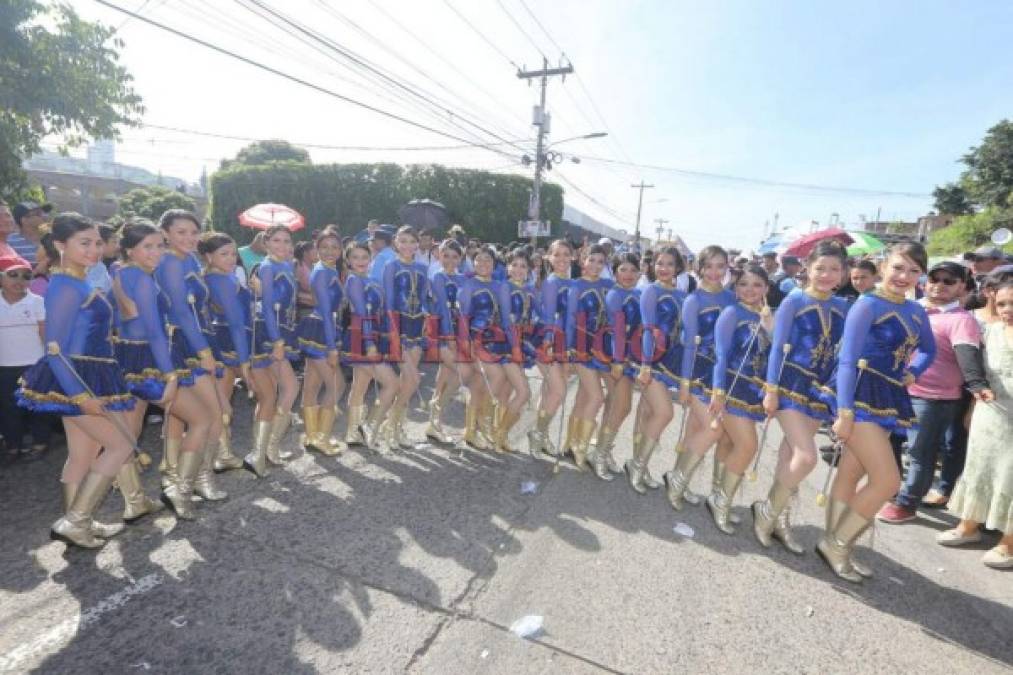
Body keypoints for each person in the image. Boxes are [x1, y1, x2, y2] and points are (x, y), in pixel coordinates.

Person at [16, 212, 136, 549]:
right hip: (76, 379)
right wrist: (80, 397)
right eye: (84, 243)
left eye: (98, 242)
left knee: (83, 453)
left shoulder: (80, 280)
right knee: (120, 445)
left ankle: (76, 522)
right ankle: (77, 519)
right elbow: (55, 349)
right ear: (59, 245)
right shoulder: (65, 286)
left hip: (89, 374)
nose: (94, 249)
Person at [818, 242, 936, 583]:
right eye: (899, 267)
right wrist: (843, 411)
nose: (904, 276)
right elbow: (845, 358)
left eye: (914, 271)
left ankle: (837, 543)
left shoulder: (917, 311)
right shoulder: (866, 304)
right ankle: (836, 544)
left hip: (889, 395)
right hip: (857, 394)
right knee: (888, 480)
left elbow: (928, 349)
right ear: (884, 266)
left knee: (852, 471)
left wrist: (915, 373)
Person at [753, 241, 848, 555]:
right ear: (808, 268)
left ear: (843, 273)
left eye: (834, 269)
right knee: (807, 457)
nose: (826, 274)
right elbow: (777, 345)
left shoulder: (842, 307)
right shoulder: (795, 299)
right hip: (789, 383)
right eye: (820, 268)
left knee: (789, 456)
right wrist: (770, 389)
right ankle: (766, 512)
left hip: (817, 390)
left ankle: (780, 519)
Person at [877, 261, 987, 524]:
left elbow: (968, 357)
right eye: (935, 279)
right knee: (889, 442)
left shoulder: (962, 321)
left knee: (919, 453)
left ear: (962, 287)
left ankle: (907, 504)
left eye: (949, 281)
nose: (939, 285)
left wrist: (977, 387)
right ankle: (891, 489)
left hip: (933, 398)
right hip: (897, 390)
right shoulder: (915, 310)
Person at [113, 221, 202, 523]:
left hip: (127, 355)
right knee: (201, 420)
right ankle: (182, 490)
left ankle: (134, 501)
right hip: (151, 360)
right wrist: (171, 375)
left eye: (158, 246)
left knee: (129, 429)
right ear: (129, 249)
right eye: (147, 247)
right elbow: (154, 332)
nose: (156, 252)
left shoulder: (120, 272)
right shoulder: (142, 279)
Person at [155, 209, 228, 512]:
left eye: (193, 232)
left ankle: (193, 478)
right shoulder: (170, 262)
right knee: (214, 413)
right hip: (184, 345)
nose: (189, 238)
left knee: (208, 415)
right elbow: (181, 313)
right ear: (166, 233)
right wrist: (204, 352)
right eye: (181, 232)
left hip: (198, 338)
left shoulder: (188, 260)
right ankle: (191, 482)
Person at [937, 280, 1013, 569]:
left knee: (1010, 476)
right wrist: (971, 407)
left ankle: (1009, 542)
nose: (1007, 310)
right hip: (988, 413)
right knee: (978, 468)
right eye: (1002, 303)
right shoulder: (989, 332)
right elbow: (977, 375)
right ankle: (969, 527)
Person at [665, 245, 737, 511]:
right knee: (713, 428)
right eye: (709, 266)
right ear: (700, 268)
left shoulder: (731, 299)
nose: (715, 272)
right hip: (696, 371)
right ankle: (677, 480)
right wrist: (684, 384)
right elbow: (689, 345)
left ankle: (679, 479)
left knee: (696, 428)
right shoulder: (693, 300)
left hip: (721, 374)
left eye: (721, 266)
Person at [705, 265, 773, 534]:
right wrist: (718, 391)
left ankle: (717, 494)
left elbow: (773, 355)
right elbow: (720, 356)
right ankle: (721, 501)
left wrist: (770, 326)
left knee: (728, 441)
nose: (750, 290)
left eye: (757, 285)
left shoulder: (768, 316)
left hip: (753, 390)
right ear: (735, 288)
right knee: (747, 445)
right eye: (744, 284)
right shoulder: (731, 313)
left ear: (767, 288)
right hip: (731, 387)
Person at [245, 224, 301, 475]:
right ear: (265, 244)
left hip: (282, 332)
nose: (283, 246)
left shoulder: (286, 266)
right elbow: (267, 307)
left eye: (287, 241)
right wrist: (277, 342)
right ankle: (266, 449)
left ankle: (264, 449)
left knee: (273, 393)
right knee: (290, 387)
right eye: (276, 241)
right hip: (270, 335)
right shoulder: (267, 267)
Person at [629, 248, 686, 492]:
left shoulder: (683, 295)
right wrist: (645, 365)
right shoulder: (650, 290)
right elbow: (648, 328)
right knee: (664, 412)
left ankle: (640, 465)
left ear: (678, 268)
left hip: (668, 361)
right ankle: (637, 465)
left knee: (648, 412)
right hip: (647, 357)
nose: (663, 268)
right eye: (659, 263)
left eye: (669, 264)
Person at [200, 232, 257, 472]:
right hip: (233, 342)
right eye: (224, 254)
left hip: (223, 339)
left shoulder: (220, 277)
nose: (231, 258)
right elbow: (235, 322)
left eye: (233, 253)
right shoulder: (221, 280)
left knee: (221, 401)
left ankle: (223, 454)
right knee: (263, 395)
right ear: (208, 256)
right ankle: (263, 451)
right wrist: (245, 361)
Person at [343, 240, 399, 452]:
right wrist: (369, 344)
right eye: (355, 257)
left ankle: (352, 432)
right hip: (361, 338)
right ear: (348, 260)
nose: (360, 261)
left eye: (364, 257)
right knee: (392, 383)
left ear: (371, 259)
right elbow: (361, 313)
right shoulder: (353, 281)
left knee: (360, 385)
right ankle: (370, 428)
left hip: (373, 337)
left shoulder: (371, 280)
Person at [591, 252, 641, 481]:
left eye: (633, 270)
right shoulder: (615, 295)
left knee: (615, 404)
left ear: (640, 273)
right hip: (611, 355)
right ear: (614, 272)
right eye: (623, 270)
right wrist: (618, 361)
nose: (628, 274)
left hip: (628, 357)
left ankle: (604, 449)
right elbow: (617, 331)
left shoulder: (638, 294)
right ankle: (599, 454)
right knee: (623, 406)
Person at [296, 227, 346, 456]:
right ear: (316, 249)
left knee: (312, 385)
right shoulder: (323, 272)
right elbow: (326, 311)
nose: (330, 251)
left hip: (317, 327)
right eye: (324, 247)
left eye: (335, 247)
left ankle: (312, 435)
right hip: (321, 330)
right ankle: (322, 437)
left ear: (341, 249)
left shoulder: (328, 269)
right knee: (336, 385)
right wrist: (332, 347)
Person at [458, 246, 514, 450]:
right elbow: (463, 317)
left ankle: (473, 429)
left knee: (480, 385)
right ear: (473, 263)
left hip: (497, 341)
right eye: (479, 260)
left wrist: (513, 343)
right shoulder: (468, 284)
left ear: (495, 264)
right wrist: (466, 344)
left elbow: (506, 317)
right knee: (496, 377)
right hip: (476, 340)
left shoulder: (500, 285)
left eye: (488, 260)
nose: (483, 264)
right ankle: (481, 422)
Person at [563, 244, 614, 468]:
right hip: (580, 348)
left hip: (600, 349)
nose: (595, 265)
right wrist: (565, 353)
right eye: (591, 260)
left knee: (584, 397)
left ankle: (569, 444)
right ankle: (580, 447)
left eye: (600, 262)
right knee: (596, 397)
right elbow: (569, 322)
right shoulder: (576, 286)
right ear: (583, 260)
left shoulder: (608, 285)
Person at [381, 226, 430, 447]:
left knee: (408, 381)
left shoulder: (422, 267)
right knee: (415, 377)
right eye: (403, 241)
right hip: (398, 325)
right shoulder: (391, 266)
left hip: (418, 325)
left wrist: (428, 315)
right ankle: (390, 423)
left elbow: (424, 297)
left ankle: (396, 426)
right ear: (396, 242)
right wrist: (393, 332)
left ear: (417, 244)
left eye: (412, 241)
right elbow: (389, 301)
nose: (408, 245)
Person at [0, 256, 49, 458]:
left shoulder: (37, 301)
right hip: (4, 365)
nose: (19, 280)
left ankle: (40, 442)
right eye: (12, 274)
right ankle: (13, 444)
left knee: (37, 405)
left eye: (26, 276)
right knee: (8, 407)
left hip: (34, 363)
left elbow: (44, 332)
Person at [528, 239, 573, 457]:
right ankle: (537, 433)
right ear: (549, 257)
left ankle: (541, 435)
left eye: (566, 254)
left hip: (565, 343)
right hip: (547, 341)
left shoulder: (573, 282)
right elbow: (547, 317)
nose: (562, 259)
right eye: (558, 254)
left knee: (549, 389)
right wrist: (548, 344)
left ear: (573, 257)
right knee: (558, 390)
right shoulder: (551, 282)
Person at [425, 239, 472, 444]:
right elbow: (443, 308)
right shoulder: (437, 276)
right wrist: (450, 335)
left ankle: (434, 423)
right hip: (441, 331)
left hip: (459, 331)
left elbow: (465, 310)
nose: (450, 260)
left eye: (455, 256)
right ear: (439, 255)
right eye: (446, 256)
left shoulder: (463, 279)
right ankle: (436, 413)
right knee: (461, 371)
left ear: (460, 258)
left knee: (445, 373)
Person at [493, 248, 537, 452]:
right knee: (524, 392)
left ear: (529, 270)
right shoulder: (504, 287)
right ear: (508, 267)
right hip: (505, 344)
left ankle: (498, 436)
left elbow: (539, 315)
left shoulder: (530, 289)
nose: (519, 269)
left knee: (506, 390)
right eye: (515, 265)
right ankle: (501, 433)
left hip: (521, 343)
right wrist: (515, 347)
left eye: (523, 266)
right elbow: (504, 319)